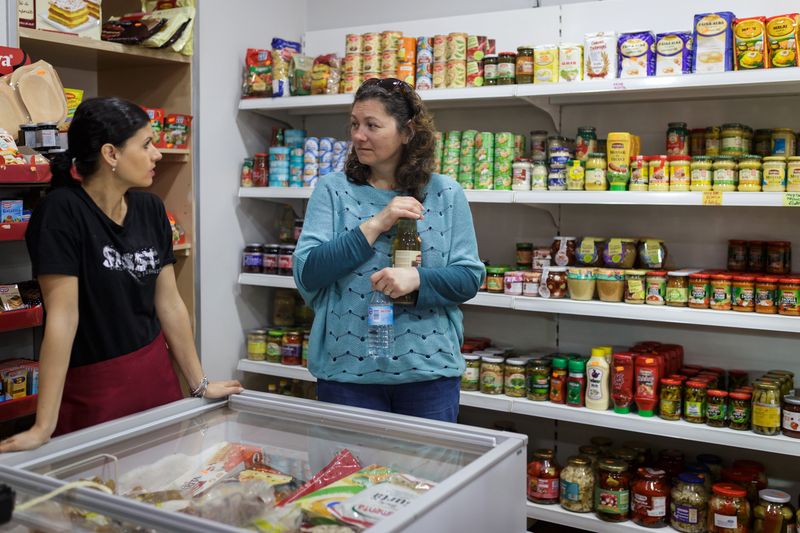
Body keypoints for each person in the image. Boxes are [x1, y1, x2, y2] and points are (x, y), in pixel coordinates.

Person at [0, 97, 242, 452]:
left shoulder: (150, 209)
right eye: (145, 144)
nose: (157, 154)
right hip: (94, 393)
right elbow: (63, 318)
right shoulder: (62, 213)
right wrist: (43, 426)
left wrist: (199, 384)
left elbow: (170, 305)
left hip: (155, 380)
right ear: (111, 154)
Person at [293, 78, 484, 422]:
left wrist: (417, 280)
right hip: (347, 374)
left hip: (429, 373)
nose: (358, 136)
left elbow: (468, 279)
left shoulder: (446, 193)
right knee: (351, 477)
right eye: (354, 124)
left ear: (407, 132)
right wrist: (376, 223)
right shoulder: (332, 190)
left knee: (428, 477)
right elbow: (309, 271)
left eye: (372, 125)